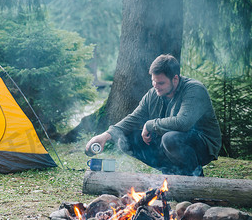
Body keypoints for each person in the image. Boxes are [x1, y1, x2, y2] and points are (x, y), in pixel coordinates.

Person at [85, 54, 222, 176]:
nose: (156, 85)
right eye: (153, 81)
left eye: (161, 82)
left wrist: (150, 124)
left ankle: (195, 179)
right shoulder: (154, 93)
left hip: (202, 144)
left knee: (170, 138)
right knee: (125, 139)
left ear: (175, 79)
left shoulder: (194, 89)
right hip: (167, 142)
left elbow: (183, 123)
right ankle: (170, 171)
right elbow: (134, 118)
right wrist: (105, 136)